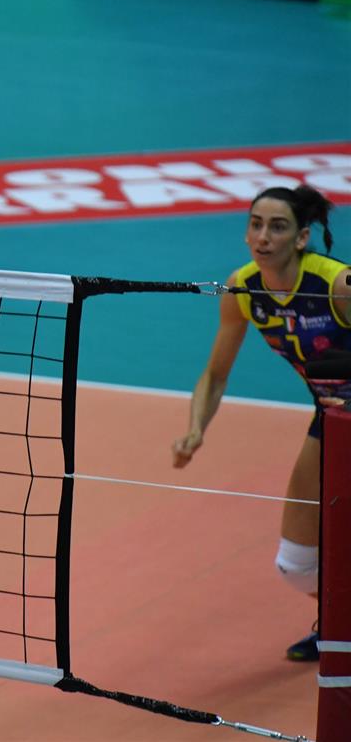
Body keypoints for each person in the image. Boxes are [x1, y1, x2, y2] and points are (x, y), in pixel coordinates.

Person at [173, 185, 350, 662]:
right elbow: (215, 375)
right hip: (332, 418)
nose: (263, 236)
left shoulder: (337, 285)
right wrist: (196, 428)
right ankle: (341, 623)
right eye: (256, 224)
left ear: (301, 237)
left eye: (277, 226)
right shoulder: (243, 289)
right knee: (296, 564)